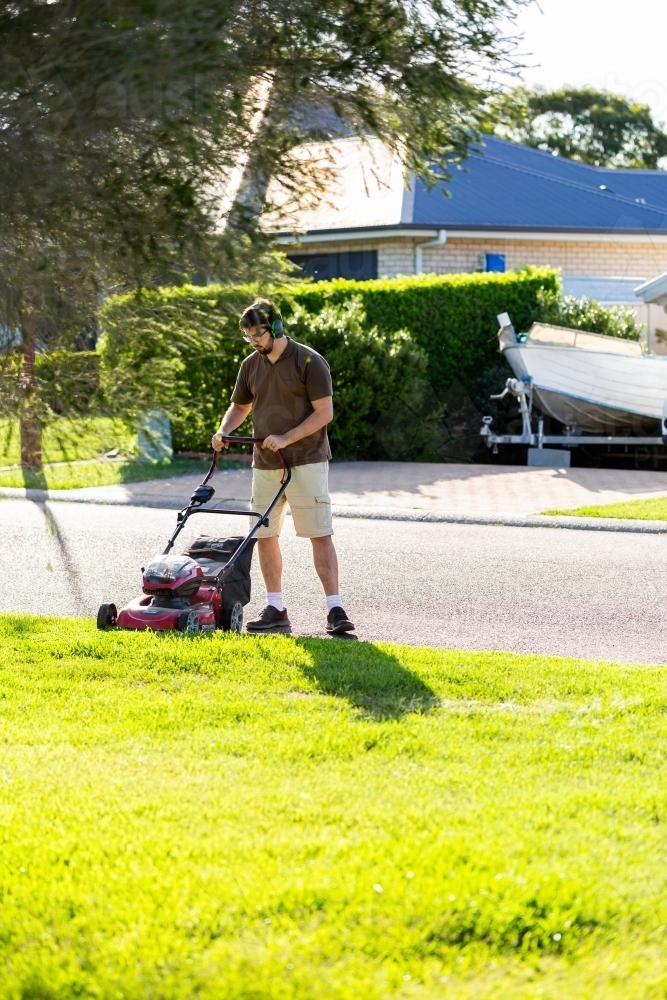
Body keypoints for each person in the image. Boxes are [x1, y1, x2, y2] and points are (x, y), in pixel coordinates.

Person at [211, 298, 355, 636]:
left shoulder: (309, 361)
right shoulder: (250, 365)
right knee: (264, 533)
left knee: (319, 533)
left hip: (306, 461)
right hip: (265, 464)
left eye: (257, 335)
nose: (254, 342)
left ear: (276, 327)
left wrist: (287, 438)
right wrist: (224, 430)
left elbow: (324, 413)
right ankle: (276, 608)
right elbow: (240, 406)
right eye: (247, 337)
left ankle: (335, 608)